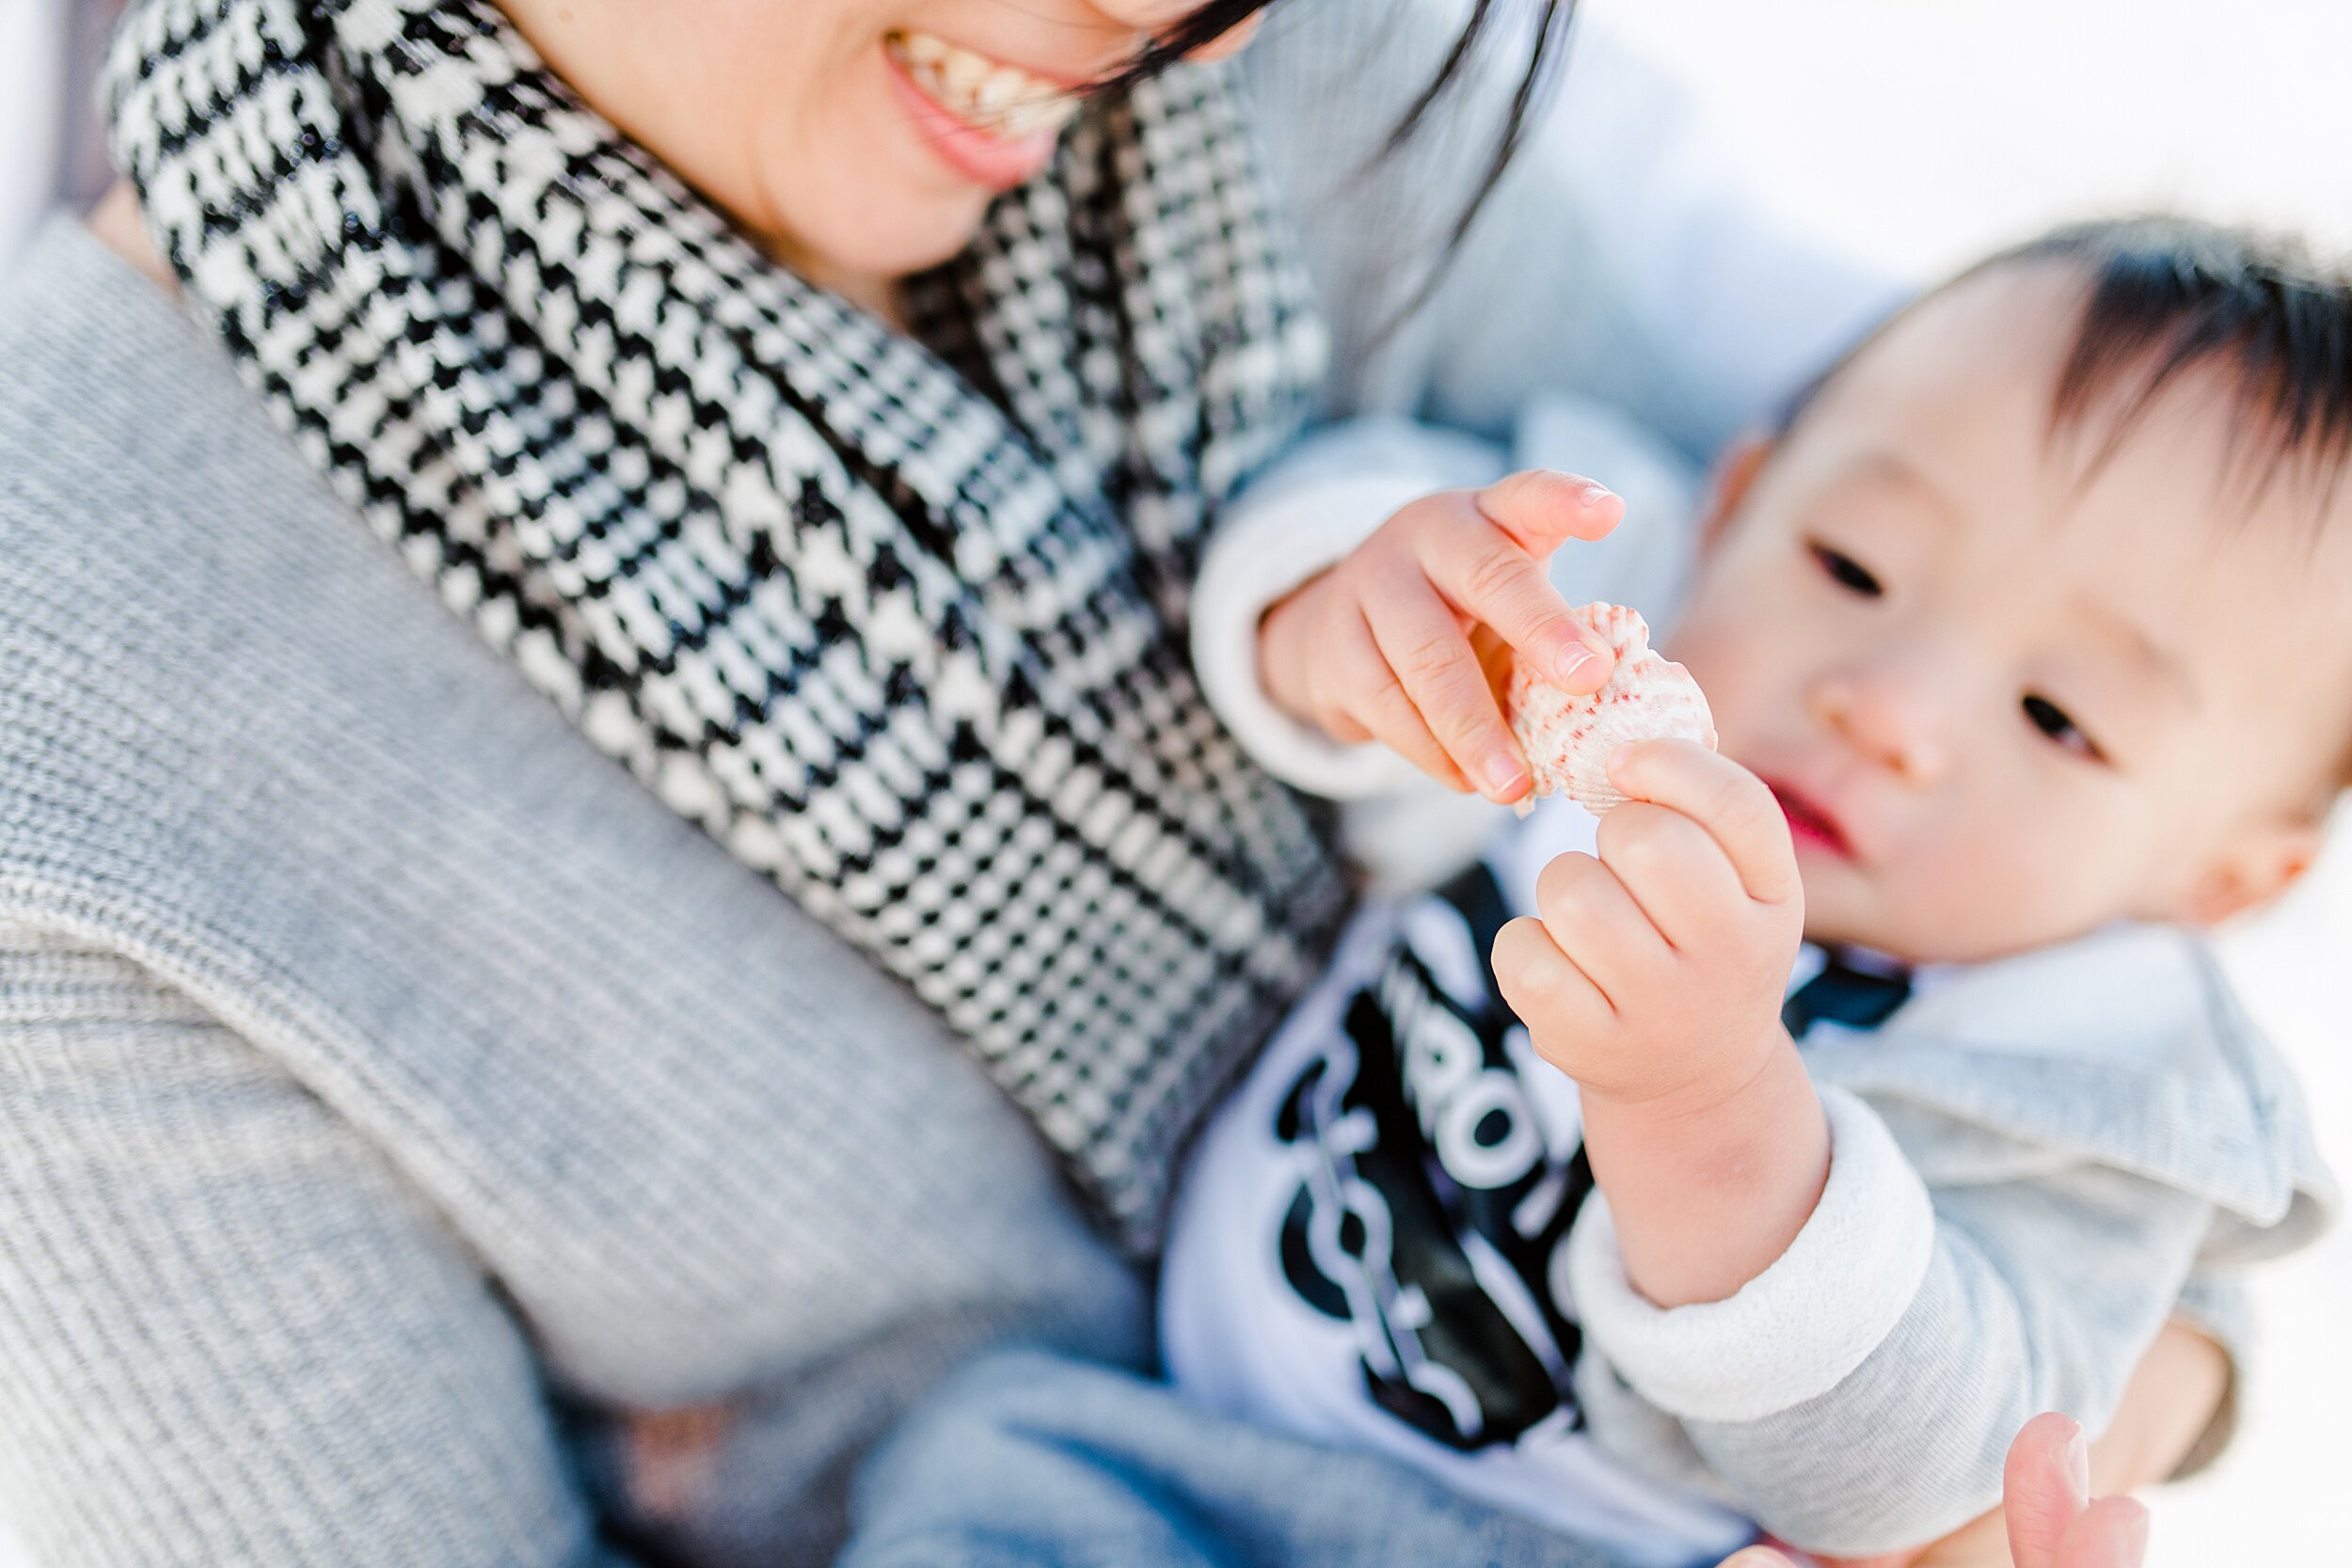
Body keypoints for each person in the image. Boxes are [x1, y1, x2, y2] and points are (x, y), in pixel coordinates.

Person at [0, 0, 2215, 1561]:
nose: (1177, 18)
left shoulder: (1302, 74)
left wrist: (2081, 1396)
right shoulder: (80, 680)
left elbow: (2102, 638)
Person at [829, 219, 2343, 1565]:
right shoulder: (1622, 631)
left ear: (2221, 877)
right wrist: (1343, 614)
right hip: (1148, 1458)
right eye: (1854, 565)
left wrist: (1709, 1103)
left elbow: (1915, 1478)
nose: (1889, 705)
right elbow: (1345, 544)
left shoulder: (2102, 1084)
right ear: (1745, 495)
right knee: (976, 1477)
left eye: (2059, 720)